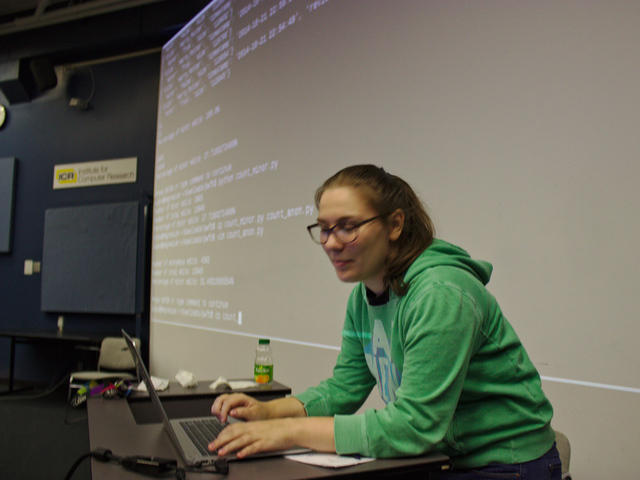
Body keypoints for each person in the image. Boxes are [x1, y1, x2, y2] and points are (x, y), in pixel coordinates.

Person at [209, 164, 561, 479]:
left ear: (395, 224)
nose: (331, 243)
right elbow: (344, 388)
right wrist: (269, 413)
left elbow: (414, 427)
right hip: (444, 457)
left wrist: (286, 432)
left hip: (503, 464)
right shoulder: (363, 296)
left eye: (347, 227)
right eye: (324, 229)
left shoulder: (440, 293)